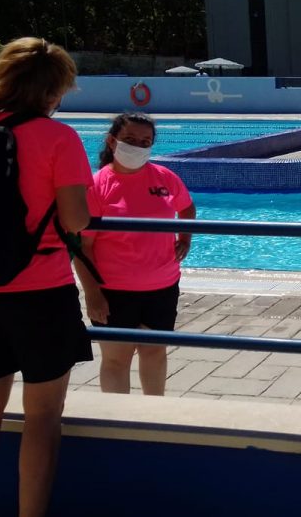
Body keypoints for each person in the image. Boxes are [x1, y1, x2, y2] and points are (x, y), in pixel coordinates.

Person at [0, 38, 94, 517]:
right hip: (39, 291)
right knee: (42, 417)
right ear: (54, 90)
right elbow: (76, 219)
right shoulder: (58, 138)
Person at [74, 112, 196, 397]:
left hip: (162, 287)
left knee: (154, 353)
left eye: (145, 141)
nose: (137, 147)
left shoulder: (165, 177)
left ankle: (152, 416)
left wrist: (185, 238)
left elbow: (187, 208)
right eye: (130, 139)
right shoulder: (97, 186)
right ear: (112, 140)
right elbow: (82, 247)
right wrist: (92, 294)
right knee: (117, 359)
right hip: (113, 291)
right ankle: (118, 422)